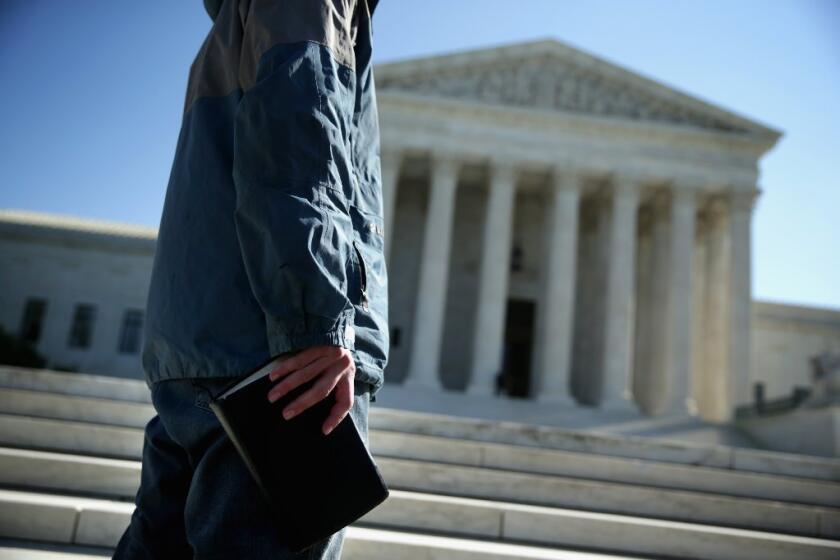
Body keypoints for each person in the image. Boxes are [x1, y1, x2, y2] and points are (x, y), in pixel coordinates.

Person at [113, 0, 388, 557]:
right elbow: (296, 141)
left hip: (200, 354)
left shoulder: (235, 22)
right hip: (279, 361)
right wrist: (318, 319)